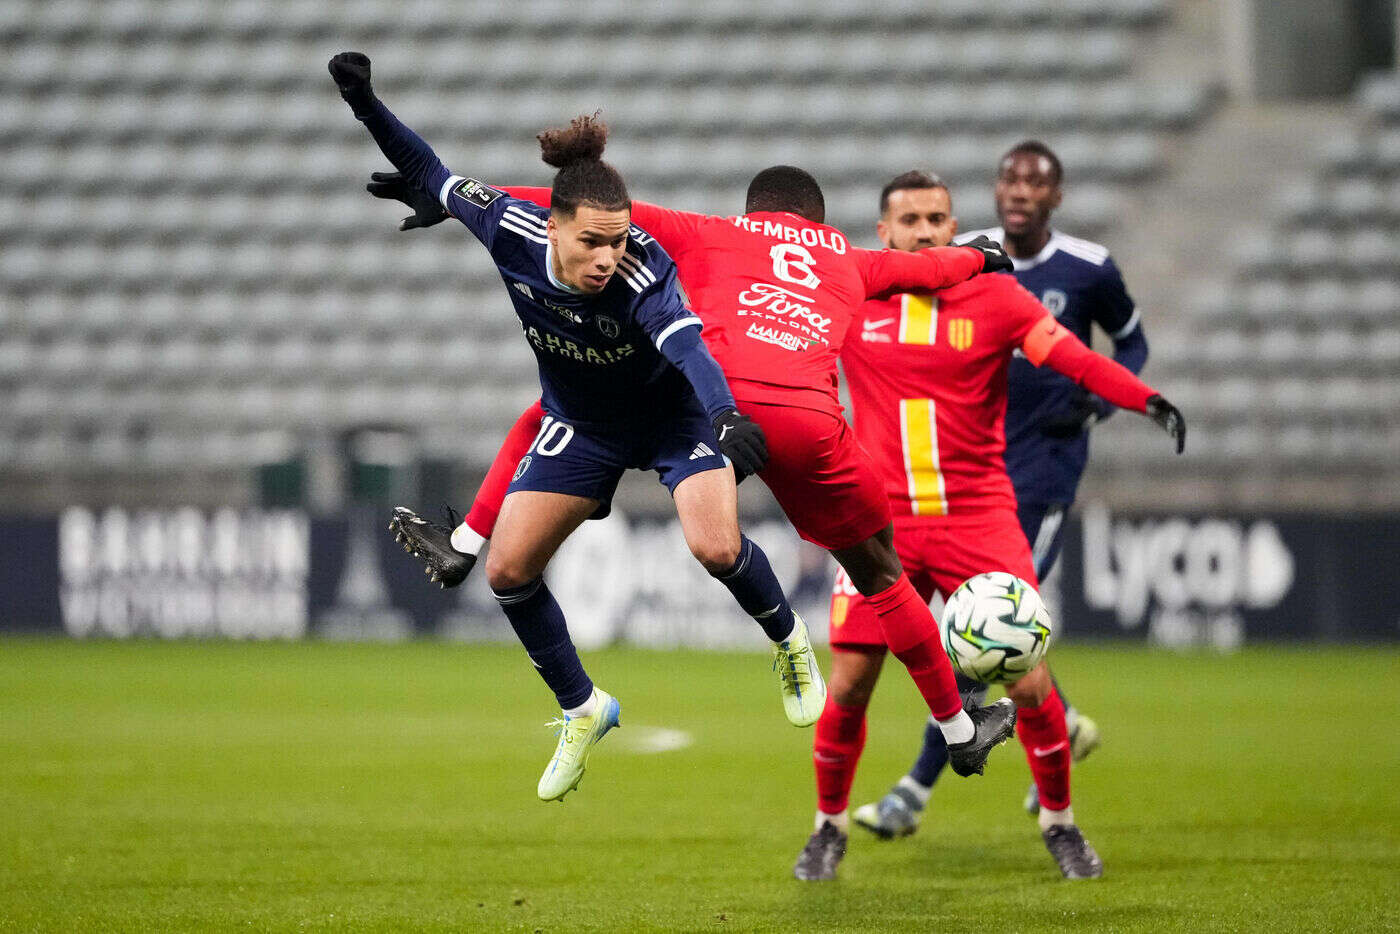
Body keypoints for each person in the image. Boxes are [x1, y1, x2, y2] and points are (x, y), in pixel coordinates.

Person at [369, 154, 1027, 809]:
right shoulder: (849, 257)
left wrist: (446, 194)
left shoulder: (713, 231)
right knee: (881, 573)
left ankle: (476, 536)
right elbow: (932, 268)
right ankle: (959, 728)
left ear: (754, 214)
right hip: (807, 423)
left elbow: (562, 202)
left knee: (560, 404)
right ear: (818, 222)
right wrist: (986, 256)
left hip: (710, 404)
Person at [328, 52, 823, 802]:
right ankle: (583, 708)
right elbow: (430, 170)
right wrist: (364, 101)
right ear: (553, 225)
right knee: (506, 571)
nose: (608, 257)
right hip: (583, 423)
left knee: (715, 543)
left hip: (670, 417)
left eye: (619, 240)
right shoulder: (509, 227)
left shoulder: (643, 274)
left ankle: (788, 639)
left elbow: (689, 346)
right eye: (592, 241)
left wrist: (723, 414)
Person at [801, 170, 1183, 880]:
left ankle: (1061, 823)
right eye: (909, 220)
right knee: (850, 681)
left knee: (1029, 679)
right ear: (884, 233)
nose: (924, 231)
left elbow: (1073, 357)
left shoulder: (996, 295)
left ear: (954, 228)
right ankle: (826, 828)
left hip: (978, 518)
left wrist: (1143, 397)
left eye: (936, 219)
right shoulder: (848, 293)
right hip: (876, 527)